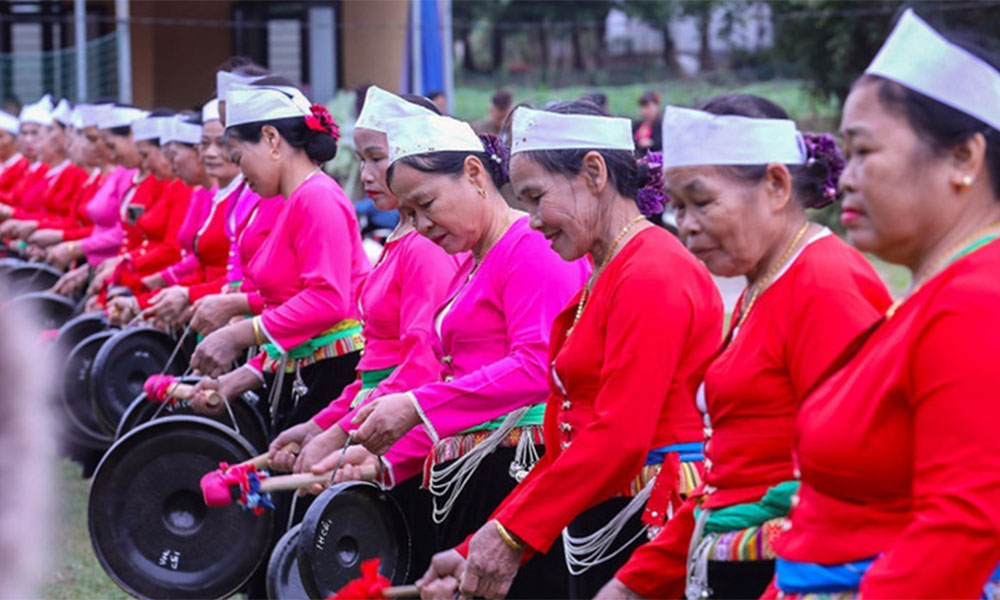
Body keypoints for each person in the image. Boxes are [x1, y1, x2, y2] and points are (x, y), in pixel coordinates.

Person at [415, 101, 724, 600]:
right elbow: (570, 442)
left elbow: (620, 435)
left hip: (650, 516)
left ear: (594, 173)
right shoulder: (610, 270)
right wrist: (484, 541)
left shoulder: (652, 271)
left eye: (538, 197)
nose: (533, 221)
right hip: (611, 513)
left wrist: (510, 535)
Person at [596, 97, 891, 600]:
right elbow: (732, 472)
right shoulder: (764, 283)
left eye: (702, 202)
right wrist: (633, 584)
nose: (686, 224)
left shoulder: (825, 284)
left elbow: (851, 480)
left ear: (776, 185)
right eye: (677, 207)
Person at [768, 10, 1000, 598]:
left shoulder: (977, 299)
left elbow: (963, 528)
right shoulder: (936, 295)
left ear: (963, 159)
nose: (846, 178)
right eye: (845, 153)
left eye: (865, 151)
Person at [315, 113, 590, 598]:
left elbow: (538, 366)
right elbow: (457, 383)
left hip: (518, 473)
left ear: (474, 174)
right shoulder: (472, 262)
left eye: (426, 205)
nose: (421, 225)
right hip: (475, 472)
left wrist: (415, 405)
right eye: (409, 212)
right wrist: (386, 461)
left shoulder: (530, 248)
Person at [266, 86, 460, 577]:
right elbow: (372, 371)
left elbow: (422, 364)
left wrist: (339, 433)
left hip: (408, 437)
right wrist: (321, 425)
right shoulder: (401, 240)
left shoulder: (424, 247)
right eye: (362, 160)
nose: (368, 175)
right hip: (379, 420)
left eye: (378, 158)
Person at [189, 79, 368, 437]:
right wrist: (245, 374)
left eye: (239, 158)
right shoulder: (293, 200)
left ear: (271, 139)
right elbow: (289, 307)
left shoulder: (317, 198)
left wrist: (239, 334)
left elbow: (327, 300)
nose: (241, 173)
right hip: (305, 368)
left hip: (331, 372)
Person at [632, 91, 662, 157]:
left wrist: (651, 143)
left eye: (648, 107)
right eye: (642, 107)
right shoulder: (636, 126)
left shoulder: (661, 127)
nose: (645, 111)